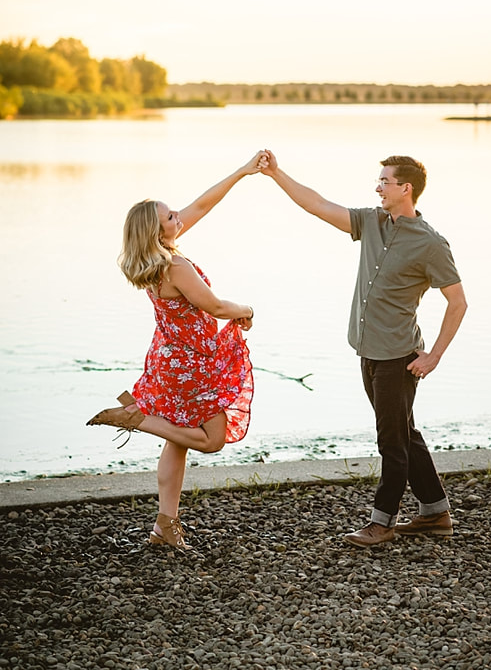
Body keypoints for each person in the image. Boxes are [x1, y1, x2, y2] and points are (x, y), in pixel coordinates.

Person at [259, 150, 466, 547]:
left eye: (385, 182)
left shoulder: (432, 244)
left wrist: (434, 355)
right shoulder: (371, 222)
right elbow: (316, 204)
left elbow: (458, 303)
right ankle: (436, 512)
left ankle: (382, 522)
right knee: (404, 432)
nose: (378, 188)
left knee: (392, 441)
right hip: (368, 351)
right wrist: (276, 173)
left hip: (399, 358)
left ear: (405, 188)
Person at [87, 152, 264, 549]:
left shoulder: (156, 259)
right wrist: (248, 310)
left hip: (171, 357)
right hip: (190, 363)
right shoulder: (175, 266)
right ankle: (137, 418)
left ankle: (164, 526)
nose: (179, 216)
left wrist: (241, 171)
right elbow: (215, 307)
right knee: (211, 440)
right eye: (170, 216)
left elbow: (201, 204)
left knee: (180, 440)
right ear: (157, 230)